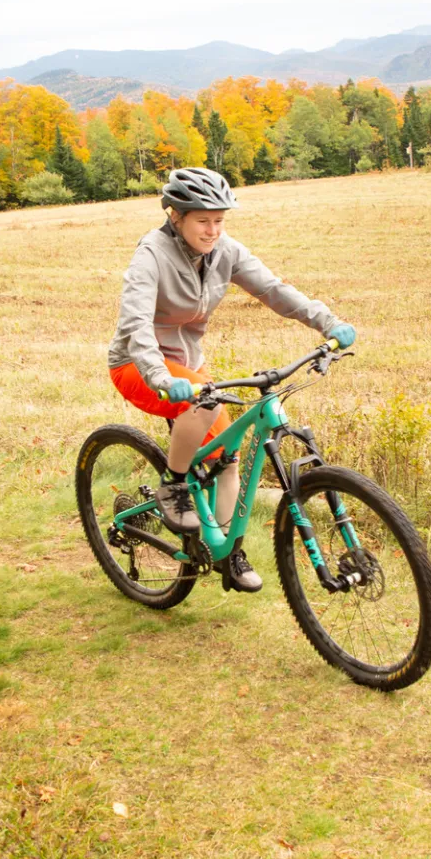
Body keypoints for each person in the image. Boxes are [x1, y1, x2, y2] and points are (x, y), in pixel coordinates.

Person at [107, 166, 355, 592]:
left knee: (227, 456)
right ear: (176, 216)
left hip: (190, 368)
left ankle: (226, 550)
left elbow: (274, 290)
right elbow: (135, 323)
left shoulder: (226, 252)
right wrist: (160, 375)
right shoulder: (151, 254)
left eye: (220, 220)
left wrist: (327, 321)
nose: (213, 230)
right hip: (138, 365)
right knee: (203, 405)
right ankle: (173, 484)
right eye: (203, 220)